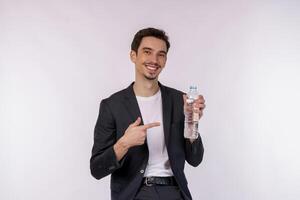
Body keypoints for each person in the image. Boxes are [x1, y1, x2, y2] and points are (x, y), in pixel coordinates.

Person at [90, 27, 206, 200]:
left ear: (165, 60)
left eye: (161, 54)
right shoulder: (112, 106)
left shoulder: (179, 100)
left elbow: (195, 160)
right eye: (147, 52)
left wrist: (192, 124)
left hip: (174, 192)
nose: (154, 60)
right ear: (133, 56)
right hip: (134, 193)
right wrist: (124, 143)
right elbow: (97, 169)